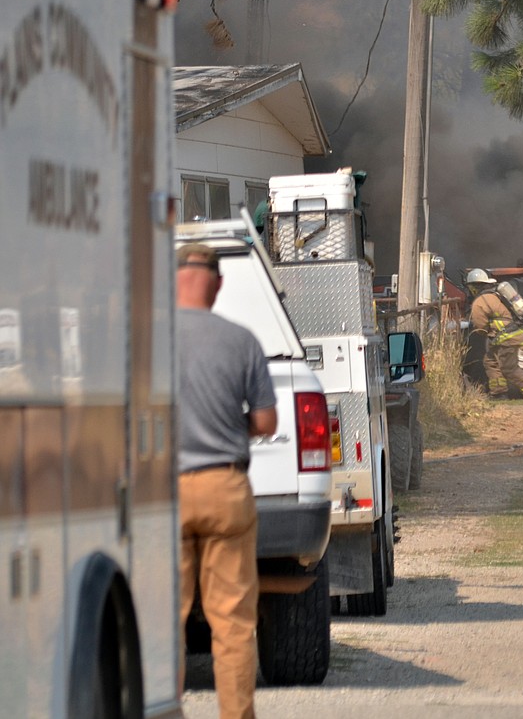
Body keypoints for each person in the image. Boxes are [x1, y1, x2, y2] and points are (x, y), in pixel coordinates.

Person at [176, 242, 277, 719]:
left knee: (161, 622)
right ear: (217, 285)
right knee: (233, 625)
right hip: (225, 490)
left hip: (161, 497)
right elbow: (266, 422)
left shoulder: (141, 341)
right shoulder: (241, 341)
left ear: (173, 281)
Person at [466, 268, 523, 400]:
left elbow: (480, 326)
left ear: (473, 287)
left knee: (509, 368)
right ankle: (499, 393)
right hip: (509, 336)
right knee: (490, 362)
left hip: (507, 338)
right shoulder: (495, 294)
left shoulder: (479, 302)